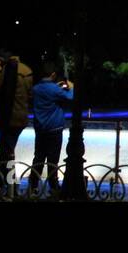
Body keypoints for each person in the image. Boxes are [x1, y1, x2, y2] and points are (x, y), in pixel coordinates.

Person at [0, 50, 33, 192]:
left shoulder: (5, 70)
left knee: (6, 152)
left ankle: (11, 185)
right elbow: (29, 93)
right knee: (7, 150)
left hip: (7, 117)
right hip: (21, 116)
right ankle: (1, 182)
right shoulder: (27, 70)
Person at [28, 61, 73, 193]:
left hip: (40, 128)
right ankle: (53, 187)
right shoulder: (55, 90)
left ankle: (33, 185)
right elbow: (71, 98)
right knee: (53, 160)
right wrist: (72, 87)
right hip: (54, 129)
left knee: (38, 157)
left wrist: (56, 86)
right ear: (53, 75)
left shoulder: (36, 89)